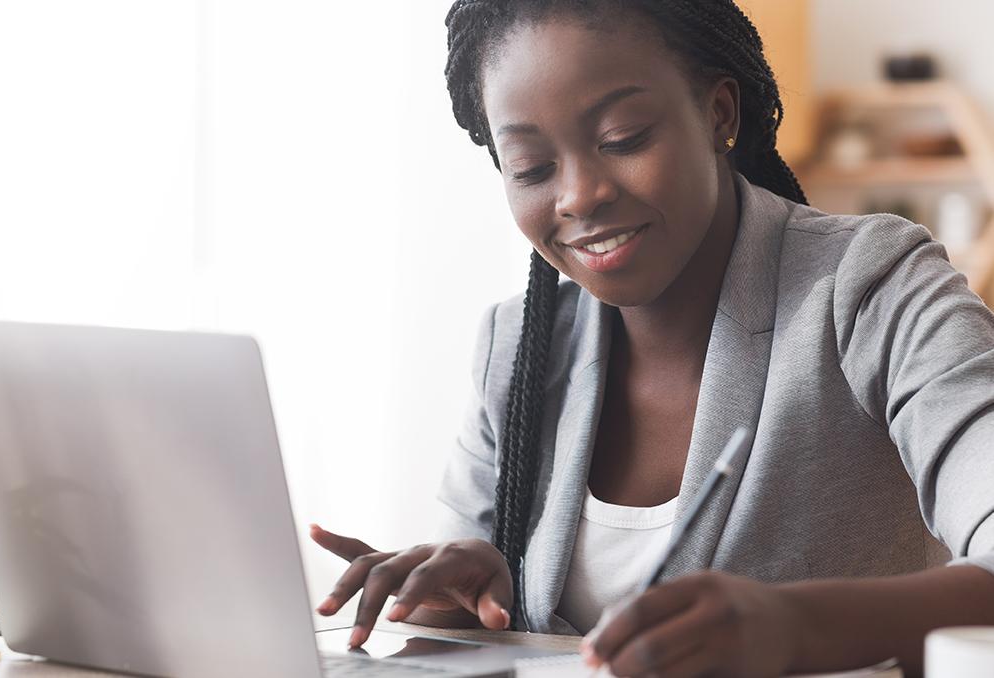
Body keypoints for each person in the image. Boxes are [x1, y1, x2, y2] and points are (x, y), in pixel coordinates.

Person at [311, 1, 994, 676]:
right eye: (529, 167)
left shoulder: (869, 286)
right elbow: (468, 632)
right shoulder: (518, 345)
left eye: (623, 137)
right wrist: (447, 604)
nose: (578, 195)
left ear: (718, 114)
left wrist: (796, 628)